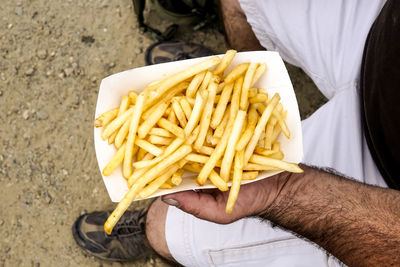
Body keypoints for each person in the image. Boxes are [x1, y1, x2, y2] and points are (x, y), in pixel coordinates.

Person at [72, 0, 400, 266]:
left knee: (164, 224)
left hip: (383, 183)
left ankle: (151, 235)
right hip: (381, 32)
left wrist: (283, 190)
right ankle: (229, 81)